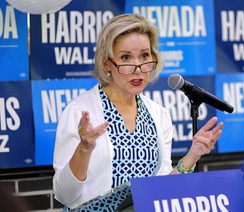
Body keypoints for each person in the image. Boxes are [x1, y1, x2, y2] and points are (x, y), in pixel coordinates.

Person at [52, 13, 224, 211]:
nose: (138, 68)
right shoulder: (80, 111)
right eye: (126, 57)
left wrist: (193, 156)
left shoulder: (158, 114)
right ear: (107, 63)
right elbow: (63, 195)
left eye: (144, 56)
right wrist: (84, 149)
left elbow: (162, 190)